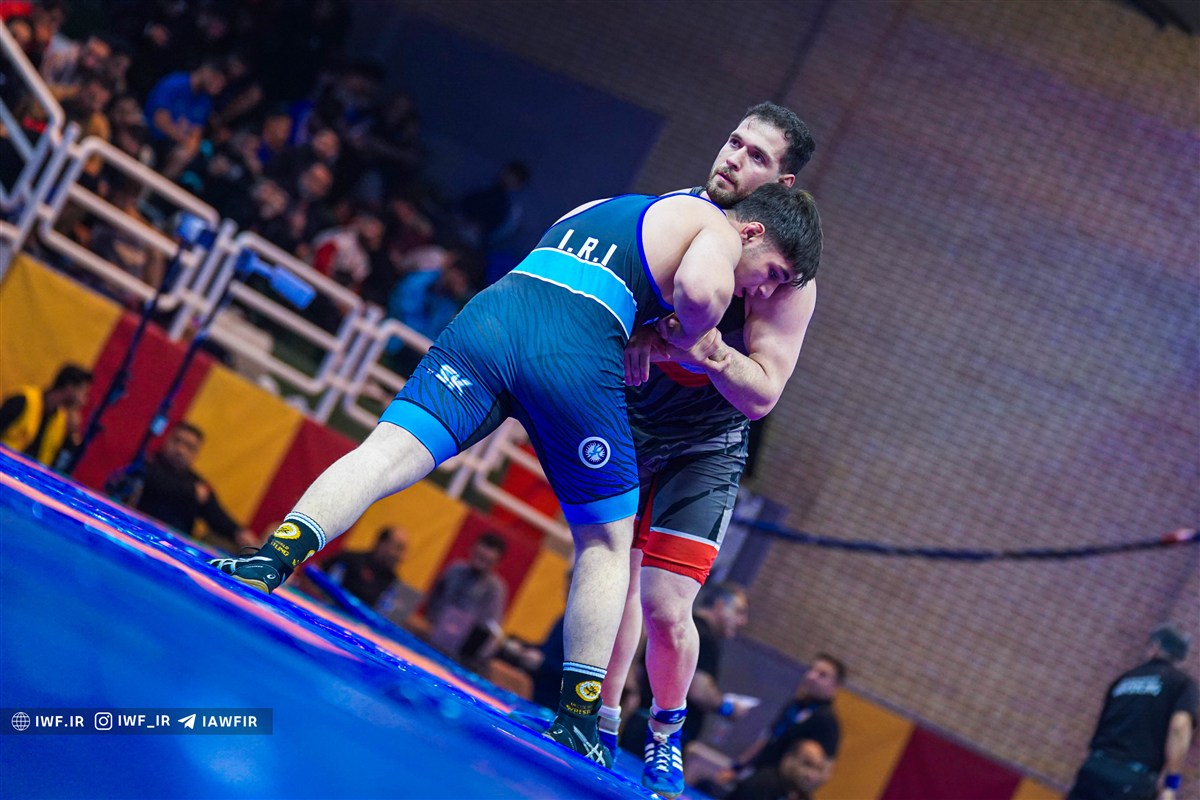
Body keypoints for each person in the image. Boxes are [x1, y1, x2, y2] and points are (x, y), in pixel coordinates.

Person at [207, 180, 823, 767]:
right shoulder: (715, 228)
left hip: (496, 313)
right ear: (751, 229)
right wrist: (680, 336)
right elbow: (698, 293)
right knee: (609, 543)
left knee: (386, 451)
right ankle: (579, 717)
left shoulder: (621, 202)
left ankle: (270, 560)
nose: (764, 291)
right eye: (771, 274)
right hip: (571, 347)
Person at [598, 102, 819, 798]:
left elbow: (763, 394)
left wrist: (706, 347)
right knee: (607, 574)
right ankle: (597, 720)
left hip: (706, 445)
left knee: (667, 607)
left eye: (757, 157)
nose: (734, 158)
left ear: (780, 185)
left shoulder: (785, 278)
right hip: (637, 422)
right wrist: (639, 335)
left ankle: (665, 736)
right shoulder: (677, 212)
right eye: (734, 142)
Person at [619, 583, 755, 754]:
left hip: (639, 722)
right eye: (739, 612)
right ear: (719, 605)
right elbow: (699, 691)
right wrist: (727, 707)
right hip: (663, 738)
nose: (742, 621)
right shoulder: (703, 638)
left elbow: (639, 671)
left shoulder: (673, 627)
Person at [1067, 623, 1198, 800]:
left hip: (1094, 768)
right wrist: (1171, 784)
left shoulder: (1123, 679)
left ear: (1155, 647)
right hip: (1132, 780)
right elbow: (1179, 727)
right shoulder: (1182, 684)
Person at [126, 422, 257, 553]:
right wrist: (191, 492)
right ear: (167, 440)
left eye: (189, 447)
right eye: (177, 441)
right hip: (138, 534)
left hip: (176, 549)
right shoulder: (146, 464)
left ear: (196, 454)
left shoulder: (198, 483)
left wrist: (239, 532)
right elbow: (158, 483)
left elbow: (216, 515)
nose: (180, 450)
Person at [733, 653, 846, 784]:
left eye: (822, 675)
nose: (812, 676)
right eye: (811, 669)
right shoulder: (796, 704)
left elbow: (824, 769)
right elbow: (769, 736)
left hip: (778, 784)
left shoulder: (826, 720)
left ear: (835, 686)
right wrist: (738, 766)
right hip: (757, 772)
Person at [421, 531, 510, 671]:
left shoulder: (495, 589)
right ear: (472, 550)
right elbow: (434, 599)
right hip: (435, 638)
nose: (480, 563)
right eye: (478, 557)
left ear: (496, 563)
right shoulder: (454, 570)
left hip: (463, 655)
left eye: (487, 561)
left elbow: (490, 629)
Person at [0, 363, 92, 469]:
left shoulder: (61, 420)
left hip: (29, 475)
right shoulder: (23, 401)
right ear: (69, 387)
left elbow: (59, 467)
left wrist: (72, 437)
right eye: (83, 393)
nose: (84, 401)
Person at [321, 524, 419, 620]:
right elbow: (316, 576)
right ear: (382, 544)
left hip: (359, 627)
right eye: (398, 548)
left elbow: (390, 616)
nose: (402, 557)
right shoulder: (350, 559)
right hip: (328, 617)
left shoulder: (394, 582)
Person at [727, 738, 832, 800]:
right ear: (789, 759)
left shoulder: (802, 796)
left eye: (818, 769)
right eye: (807, 764)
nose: (811, 775)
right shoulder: (761, 785)